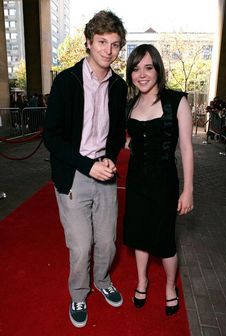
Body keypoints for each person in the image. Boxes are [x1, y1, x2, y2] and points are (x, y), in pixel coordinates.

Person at [43, 10, 127, 328]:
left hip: (104, 172)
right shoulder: (67, 81)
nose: (108, 50)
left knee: (106, 242)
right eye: (102, 42)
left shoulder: (118, 87)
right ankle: (79, 293)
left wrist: (109, 157)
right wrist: (87, 165)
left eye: (115, 44)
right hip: (74, 173)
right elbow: (52, 136)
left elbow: (117, 132)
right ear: (89, 43)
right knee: (81, 244)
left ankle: (102, 281)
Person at [123, 44, 194, 316]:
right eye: (136, 69)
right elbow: (131, 139)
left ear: (158, 69)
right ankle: (142, 281)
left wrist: (188, 190)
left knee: (164, 240)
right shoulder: (130, 105)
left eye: (148, 67)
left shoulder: (177, 101)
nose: (142, 74)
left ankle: (170, 287)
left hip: (165, 182)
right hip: (137, 180)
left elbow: (186, 148)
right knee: (139, 235)